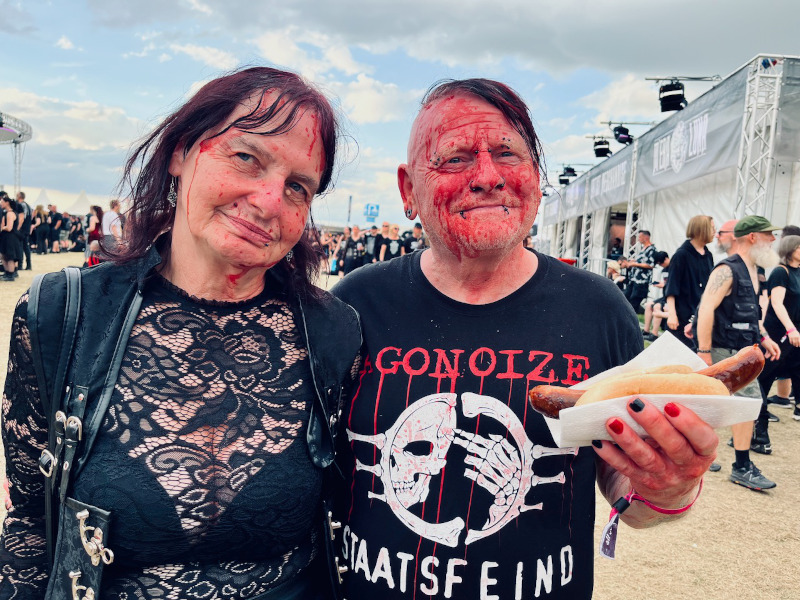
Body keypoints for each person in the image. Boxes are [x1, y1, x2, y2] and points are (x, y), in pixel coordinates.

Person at [332, 78, 715, 600]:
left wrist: (669, 485)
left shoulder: (598, 309)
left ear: (535, 177)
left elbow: (626, 489)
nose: (487, 177)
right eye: (455, 158)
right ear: (408, 190)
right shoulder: (355, 304)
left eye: (507, 153)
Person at [0, 66, 360, 600]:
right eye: (246, 157)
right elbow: (31, 523)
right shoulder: (61, 314)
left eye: (297, 187)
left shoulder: (333, 334)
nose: (268, 201)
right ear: (180, 152)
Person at [695, 215, 781, 490]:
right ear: (753, 237)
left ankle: (704, 456)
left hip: (741, 349)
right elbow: (706, 309)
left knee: (719, 403)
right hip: (723, 348)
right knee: (748, 401)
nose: (774, 239)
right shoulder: (727, 269)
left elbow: (750, 314)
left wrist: (764, 338)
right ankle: (741, 466)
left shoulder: (754, 270)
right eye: (769, 234)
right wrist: (704, 352)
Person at [757, 234, 800, 422]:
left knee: (796, 367)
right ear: (790, 249)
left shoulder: (798, 271)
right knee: (768, 371)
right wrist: (790, 329)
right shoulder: (781, 272)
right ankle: (759, 412)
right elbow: (776, 303)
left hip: (794, 329)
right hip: (778, 330)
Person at [663, 215, 715, 349]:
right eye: (712, 228)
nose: (715, 232)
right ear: (701, 229)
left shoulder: (708, 256)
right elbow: (671, 287)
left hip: (700, 315)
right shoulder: (681, 255)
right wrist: (672, 315)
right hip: (682, 316)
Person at [620, 230, 655, 313]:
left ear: (646, 237)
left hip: (641, 280)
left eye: (640, 237)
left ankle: (632, 317)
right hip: (634, 279)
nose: (638, 239)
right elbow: (642, 261)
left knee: (634, 300)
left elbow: (650, 265)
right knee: (626, 296)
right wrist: (634, 261)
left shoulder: (651, 249)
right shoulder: (643, 249)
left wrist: (635, 264)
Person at [0, 194, 22, 281]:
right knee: (4, 255)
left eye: (2, 202)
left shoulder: (10, 213)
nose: (1, 203)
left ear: (7, 203)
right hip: (6, 237)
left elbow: (9, 228)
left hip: (10, 238)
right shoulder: (7, 213)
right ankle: (7, 273)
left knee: (10, 256)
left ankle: (10, 274)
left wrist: (2, 228)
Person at [15, 191, 32, 270]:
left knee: (20, 247)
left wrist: (18, 228)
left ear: (19, 196)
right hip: (27, 228)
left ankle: (20, 265)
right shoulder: (28, 205)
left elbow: (22, 218)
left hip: (22, 229)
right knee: (26, 247)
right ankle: (28, 265)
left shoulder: (21, 205)